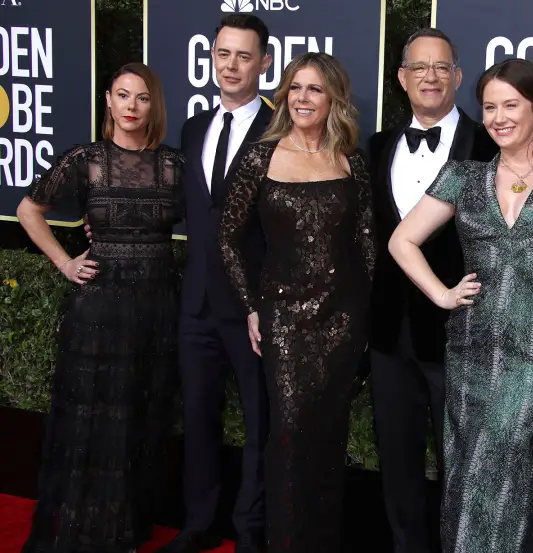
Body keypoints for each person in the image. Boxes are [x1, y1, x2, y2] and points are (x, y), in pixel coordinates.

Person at [367, 29, 533, 553]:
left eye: (441, 67)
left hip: (472, 338)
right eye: (419, 67)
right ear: (402, 78)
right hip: (392, 333)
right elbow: (380, 238)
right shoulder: (378, 146)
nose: (430, 76)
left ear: (457, 76)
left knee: (473, 467)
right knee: (398, 462)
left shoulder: (493, 140)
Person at [16, 62, 183, 553]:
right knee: (93, 419)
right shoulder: (85, 159)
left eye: (142, 98)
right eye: (123, 95)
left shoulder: (174, 165)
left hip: (156, 304)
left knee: (140, 415)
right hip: (100, 306)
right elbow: (29, 209)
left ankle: (126, 527)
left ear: (154, 105)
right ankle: (86, 530)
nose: (132, 106)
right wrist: (65, 262)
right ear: (108, 100)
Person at [218, 51, 375, 553]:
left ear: (333, 100)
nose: (303, 98)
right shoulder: (260, 157)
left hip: (342, 321)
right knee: (288, 434)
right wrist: (251, 306)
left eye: (315, 89)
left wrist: (365, 317)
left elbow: (367, 244)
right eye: (296, 88)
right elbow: (228, 239)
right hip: (283, 319)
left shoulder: (351, 160)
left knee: (328, 438)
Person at [156, 14, 273, 553]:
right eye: (223, 54)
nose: (231, 65)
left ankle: (251, 532)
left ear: (263, 63)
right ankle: (199, 523)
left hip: (254, 308)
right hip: (196, 302)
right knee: (198, 418)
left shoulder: (279, 131)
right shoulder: (193, 128)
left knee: (260, 424)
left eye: (243, 56)